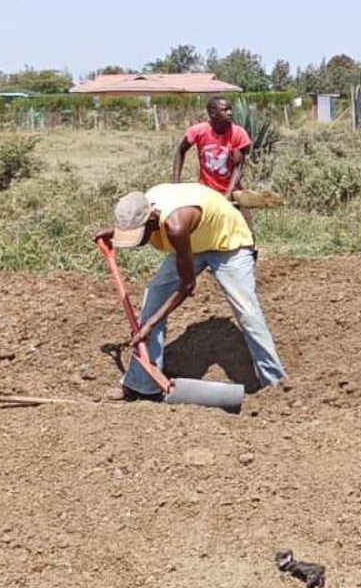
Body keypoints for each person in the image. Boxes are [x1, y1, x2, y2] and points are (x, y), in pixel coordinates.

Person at [103, 182, 287, 399]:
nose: (136, 241)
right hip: (193, 242)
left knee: (247, 312)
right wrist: (113, 234)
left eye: (137, 234)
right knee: (153, 298)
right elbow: (136, 226)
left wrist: (152, 323)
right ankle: (143, 383)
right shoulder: (142, 207)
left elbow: (187, 285)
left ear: (151, 221)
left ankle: (275, 386)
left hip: (229, 243)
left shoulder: (175, 225)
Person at [172, 97, 251, 197]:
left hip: (231, 191)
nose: (230, 112)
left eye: (230, 109)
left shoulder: (238, 133)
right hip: (205, 191)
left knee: (240, 213)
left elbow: (238, 167)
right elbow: (181, 151)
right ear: (212, 113)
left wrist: (227, 195)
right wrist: (175, 184)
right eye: (225, 110)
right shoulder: (198, 131)